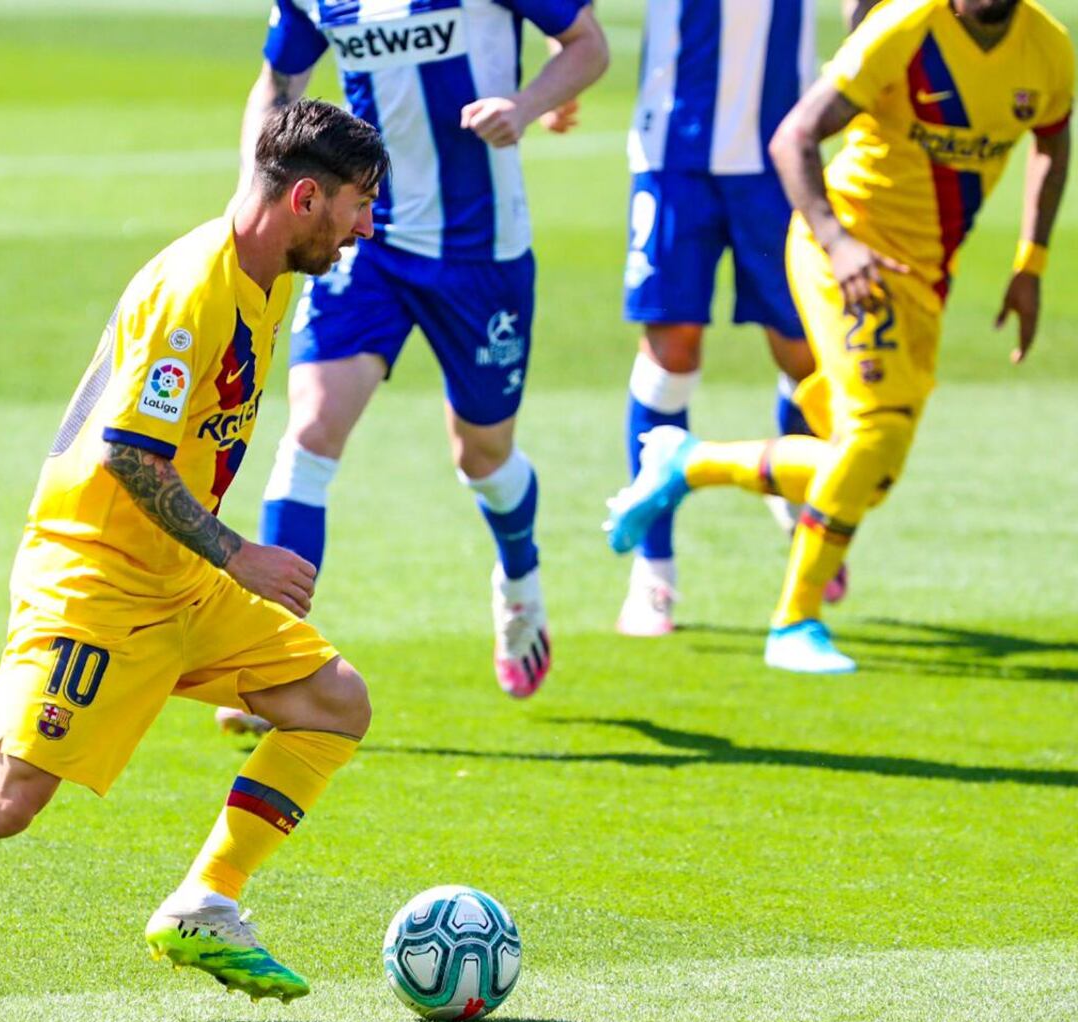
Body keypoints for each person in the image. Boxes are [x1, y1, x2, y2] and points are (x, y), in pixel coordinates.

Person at [0, 98, 390, 1022]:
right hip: (95, 577)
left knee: (334, 701)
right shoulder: (196, 290)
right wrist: (238, 553)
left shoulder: (271, 269)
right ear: (304, 198)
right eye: (358, 204)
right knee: (3, 795)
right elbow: (131, 456)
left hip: (176, 575)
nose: (366, 225)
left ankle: (204, 901)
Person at [606, 0, 1071, 673]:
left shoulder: (1048, 50)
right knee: (870, 433)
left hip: (922, 275)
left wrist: (1031, 264)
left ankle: (690, 463)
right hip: (843, 248)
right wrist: (838, 241)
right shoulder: (907, 28)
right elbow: (794, 136)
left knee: (869, 476)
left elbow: (1054, 138)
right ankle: (792, 620)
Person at [233, 0, 609, 710]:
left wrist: (525, 107)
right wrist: (254, 192)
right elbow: (279, 82)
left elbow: (588, 44)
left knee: (483, 456)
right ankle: (271, 659)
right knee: (310, 431)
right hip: (365, 240)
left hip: (482, 253)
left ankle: (519, 579)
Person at [615, 0, 825, 637]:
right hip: (672, 152)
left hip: (779, 152)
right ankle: (653, 568)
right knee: (672, 351)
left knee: (803, 351)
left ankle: (801, 490)